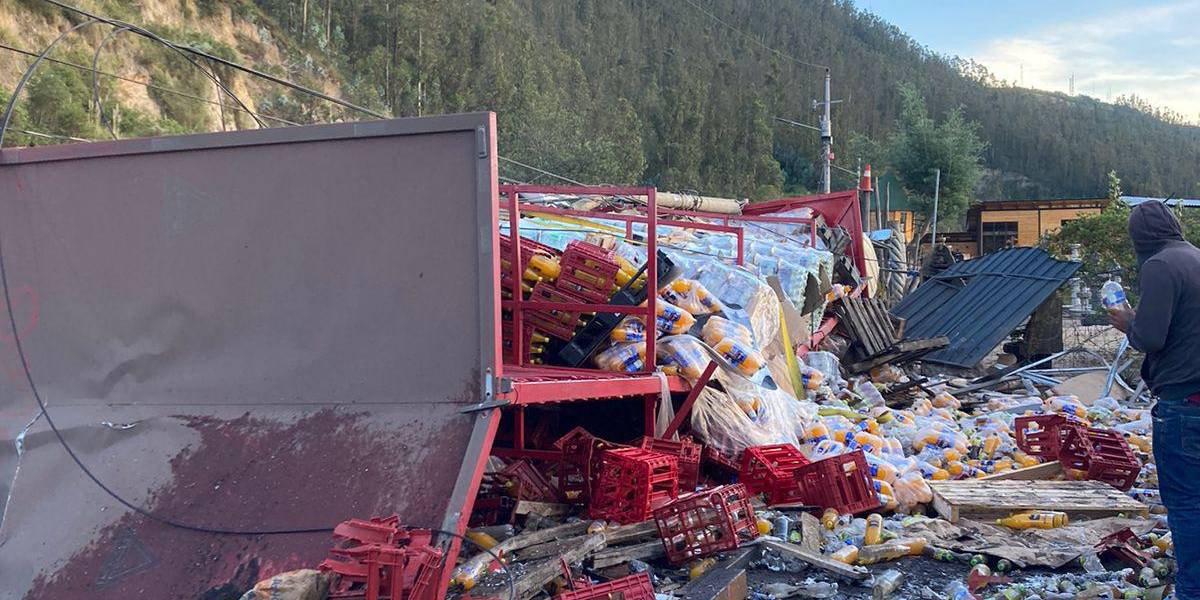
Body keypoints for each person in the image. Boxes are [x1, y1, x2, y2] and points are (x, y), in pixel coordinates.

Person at [1108, 200, 1200, 599]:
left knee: (1187, 506)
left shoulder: (1159, 266)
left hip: (1184, 406)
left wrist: (1127, 321)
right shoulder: (1195, 257)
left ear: (1139, 239)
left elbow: (1150, 337)